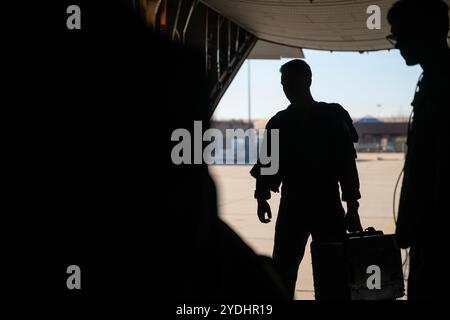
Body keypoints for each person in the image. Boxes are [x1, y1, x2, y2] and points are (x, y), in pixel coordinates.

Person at [250, 59, 363, 299]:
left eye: (293, 81)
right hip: (295, 205)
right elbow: (268, 165)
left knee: (334, 273)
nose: (288, 88)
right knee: (283, 272)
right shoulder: (279, 122)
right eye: (284, 84)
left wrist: (352, 207)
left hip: (326, 206)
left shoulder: (331, 116)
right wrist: (262, 197)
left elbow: (346, 164)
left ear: (308, 81)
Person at [387, 0, 450, 300]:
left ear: (426, 32)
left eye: (401, 36)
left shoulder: (442, 82)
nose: (397, 46)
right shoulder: (431, 79)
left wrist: (416, 223)